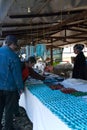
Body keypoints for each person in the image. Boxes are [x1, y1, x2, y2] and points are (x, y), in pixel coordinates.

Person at [0, 35, 24, 130]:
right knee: (9, 109)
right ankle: (8, 127)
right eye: (15, 46)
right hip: (10, 88)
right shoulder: (13, 56)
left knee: (0, 107)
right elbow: (17, 75)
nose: (15, 48)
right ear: (12, 44)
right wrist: (20, 87)